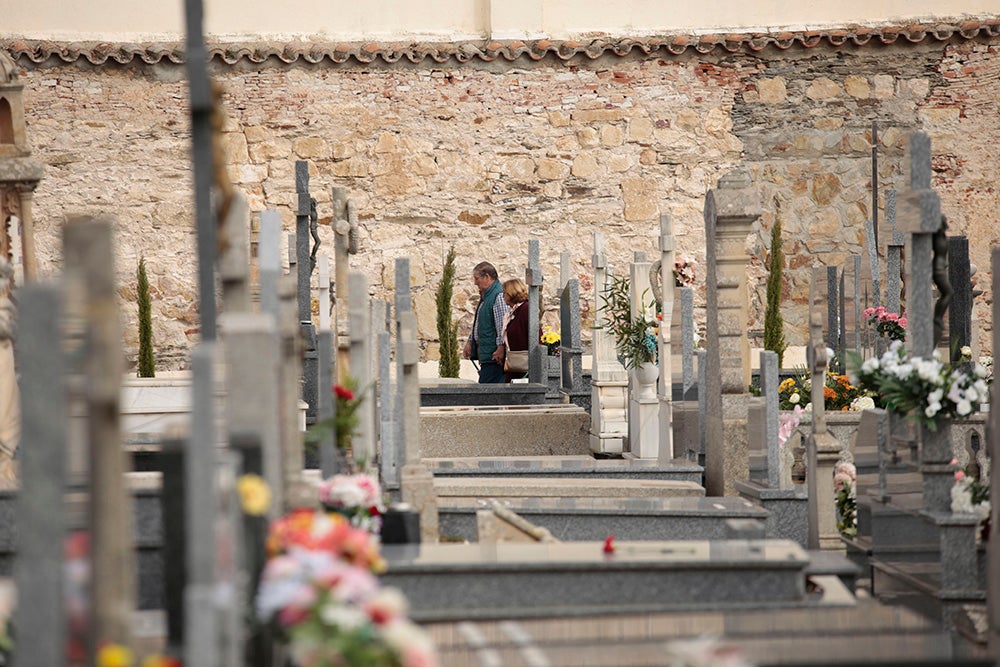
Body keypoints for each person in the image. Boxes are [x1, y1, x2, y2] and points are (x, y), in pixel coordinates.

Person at [462, 261, 510, 383]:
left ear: (487, 277)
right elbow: (480, 323)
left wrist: (500, 348)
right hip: (488, 355)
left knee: (487, 395)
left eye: (477, 278)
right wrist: (470, 341)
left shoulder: (498, 296)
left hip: (494, 356)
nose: (475, 282)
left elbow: (502, 326)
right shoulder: (487, 296)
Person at [501, 278, 530, 382]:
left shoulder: (526, 309)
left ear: (511, 293)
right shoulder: (513, 312)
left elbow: (535, 335)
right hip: (514, 365)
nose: (503, 296)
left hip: (525, 367)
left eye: (504, 293)